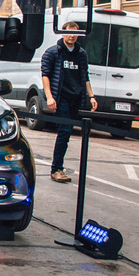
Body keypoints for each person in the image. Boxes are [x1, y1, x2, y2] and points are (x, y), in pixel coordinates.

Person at [40, 21, 98, 183]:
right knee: (64, 131)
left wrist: (91, 96)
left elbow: (85, 76)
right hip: (61, 98)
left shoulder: (81, 54)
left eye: (75, 33)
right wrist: (50, 97)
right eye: (69, 32)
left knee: (67, 132)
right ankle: (56, 169)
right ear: (62, 33)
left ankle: (58, 166)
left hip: (76, 98)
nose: (72, 36)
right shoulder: (53, 53)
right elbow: (45, 75)